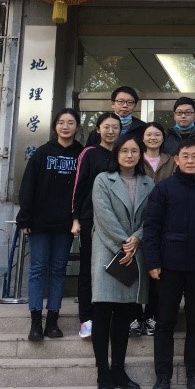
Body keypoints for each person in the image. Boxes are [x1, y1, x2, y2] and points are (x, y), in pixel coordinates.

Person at [143, 139, 195, 389]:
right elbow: (151, 227)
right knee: (165, 321)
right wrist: (153, 261)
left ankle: (194, 374)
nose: (190, 160)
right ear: (176, 159)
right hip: (168, 266)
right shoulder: (163, 189)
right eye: (185, 156)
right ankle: (163, 376)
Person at [89, 135, 153, 389]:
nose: (129, 155)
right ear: (116, 154)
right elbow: (103, 216)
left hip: (134, 253)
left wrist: (137, 238)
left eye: (134, 151)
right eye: (124, 150)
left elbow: (152, 217)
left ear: (140, 155)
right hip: (108, 251)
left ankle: (119, 370)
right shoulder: (103, 180)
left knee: (125, 315)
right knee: (103, 313)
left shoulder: (148, 182)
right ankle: (102, 373)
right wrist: (125, 243)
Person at [16, 107, 83, 342]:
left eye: (71, 122)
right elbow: (28, 186)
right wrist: (25, 218)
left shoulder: (81, 154)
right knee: (37, 269)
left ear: (77, 127)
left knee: (58, 269)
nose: (66, 126)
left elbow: (84, 189)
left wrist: (78, 219)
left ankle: (53, 321)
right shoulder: (42, 153)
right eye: (61, 122)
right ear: (55, 126)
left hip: (66, 223)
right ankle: (36, 322)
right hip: (40, 222)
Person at [71, 112, 121, 339]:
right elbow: (78, 186)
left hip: (117, 221)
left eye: (115, 127)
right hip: (91, 220)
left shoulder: (123, 153)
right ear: (98, 129)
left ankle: (109, 316)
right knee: (88, 269)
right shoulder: (89, 153)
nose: (111, 131)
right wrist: (75, 218)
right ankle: (86, 318)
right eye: (106, 127)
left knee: (114, 269)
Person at [128, 122, 175, 338]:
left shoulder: (171, 160)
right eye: (149, 134)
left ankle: (152, 316)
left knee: (157, 272)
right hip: (136, 218)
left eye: (157, 134)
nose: (153, 138)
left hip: (164, 220)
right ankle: (134, 317)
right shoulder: (136, 158)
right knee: (136, 272)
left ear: (163, 138)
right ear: (143, 138)